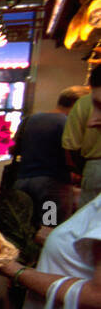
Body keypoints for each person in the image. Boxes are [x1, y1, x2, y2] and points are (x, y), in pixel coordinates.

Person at [11, 85, 85, 226]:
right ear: (77, 105)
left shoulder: (30, 120)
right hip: (52, 187)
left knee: (25, 227)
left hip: (23, 182)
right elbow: (70, 154)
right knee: (48, 225)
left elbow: (13, 149)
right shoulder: (66, 123)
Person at [63, 65, 101, 208]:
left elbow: (71, 146)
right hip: (53, 184)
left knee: (88, 220)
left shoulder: (84, 104)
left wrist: (80, 171)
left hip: (94, 168)